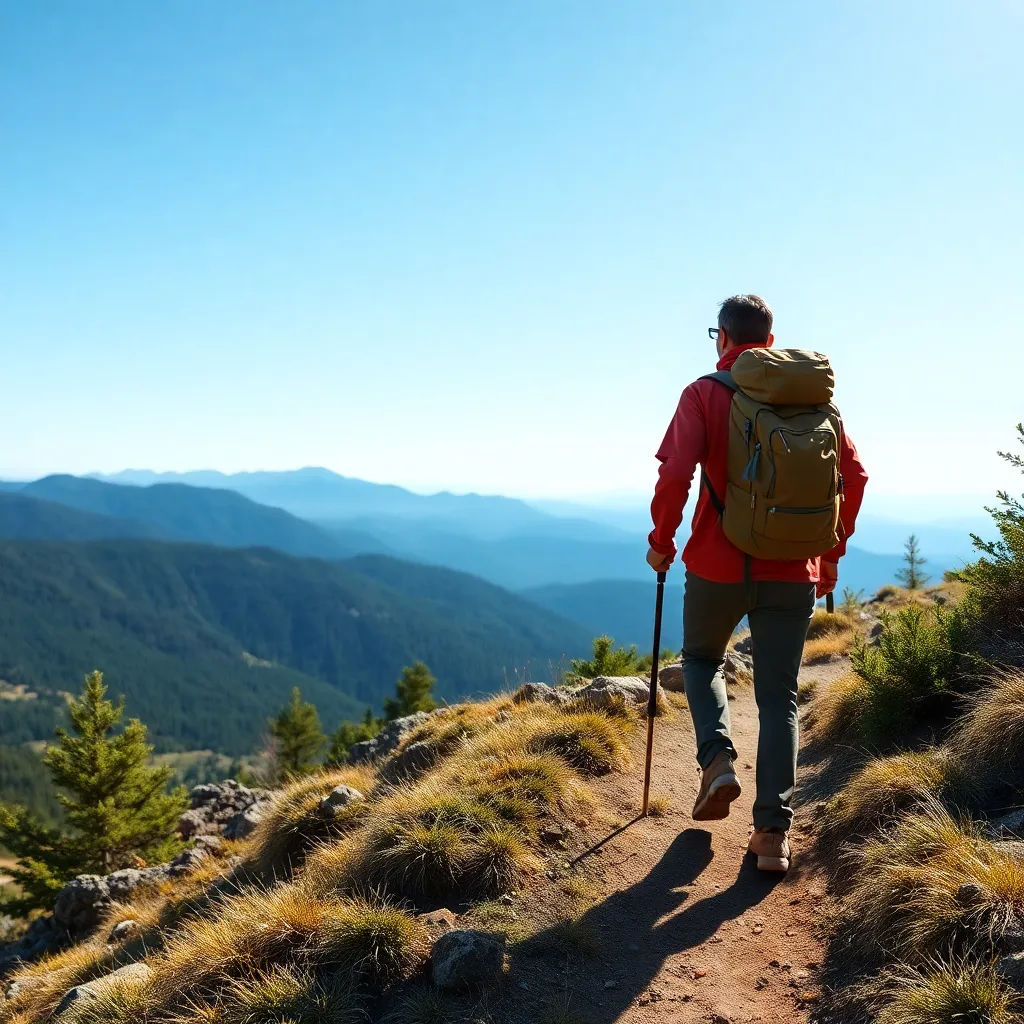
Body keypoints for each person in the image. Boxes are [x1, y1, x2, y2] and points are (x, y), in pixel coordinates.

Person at [646, 295, 867, 872]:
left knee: (699, 660)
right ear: (770, 341)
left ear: (723, 338)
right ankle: (772, 836)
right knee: (779, 699)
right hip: (794, 570)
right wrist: (831, 553)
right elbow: (857, 475)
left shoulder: (704, 393)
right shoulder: (816, 402)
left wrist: (661, 541)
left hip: (716, 563)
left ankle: (716, 760)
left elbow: (675, 473)